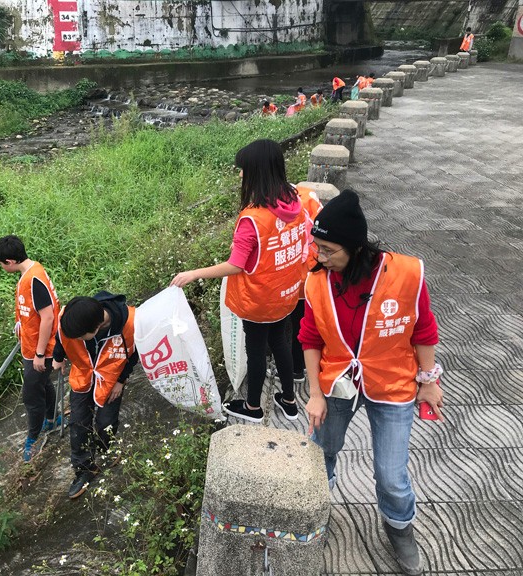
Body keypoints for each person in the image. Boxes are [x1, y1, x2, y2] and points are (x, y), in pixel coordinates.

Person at [299, 189, 443, 576]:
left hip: (393, 381)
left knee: (391, 474)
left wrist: (429, 381)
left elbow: (424, 329)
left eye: (328, 250)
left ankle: (399, 528)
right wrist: (314, 393)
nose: (320, 257)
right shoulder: (317, 282)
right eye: (317, 248)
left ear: (356, 247)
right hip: (338, 380)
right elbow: (309, 339)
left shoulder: (405, 274)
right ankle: (311, 515)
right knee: (320, 455)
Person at [171, 139, 314, 423]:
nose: (240, 175)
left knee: (256, 351)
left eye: (243, 169)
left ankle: (252, 408)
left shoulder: (252, 219)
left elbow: (235, 266)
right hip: (286, 293)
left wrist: (194, 273)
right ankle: (289, 401)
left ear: (257, 172)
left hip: (259, 299)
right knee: (282, 343)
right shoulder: (293, 201)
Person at [53, 292, 138, 499]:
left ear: (97, 328)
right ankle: (84, 469)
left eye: (81, 337)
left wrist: (121, 380)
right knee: (78, 423)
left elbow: (134, 353)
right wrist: (58, 356)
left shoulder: (130, 324)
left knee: (105, 422)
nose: (78, 340)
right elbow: (61, 336)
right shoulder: (71, 317)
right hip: (82, 376)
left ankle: (105, 448)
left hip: (110, 379)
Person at [0, 235, 61, 462]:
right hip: (31, 345)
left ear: (10, 261)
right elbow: (33, 311)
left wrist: (40, 354)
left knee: (31, 396)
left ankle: (34, 437)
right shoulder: (30, 272)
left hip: (41, 350)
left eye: (1, 264)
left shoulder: (34, 279)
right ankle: (53, 418)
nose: (1, 267)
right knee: (43, 384)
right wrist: (21, 323)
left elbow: (48, 317)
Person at [288, 185, 323, 387]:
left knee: (292, 324)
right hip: (314, 270)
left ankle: (295, 369)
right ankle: (299, 367)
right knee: (304, 322)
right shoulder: (308, 194)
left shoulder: (276, 201)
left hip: (293, 274)